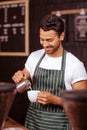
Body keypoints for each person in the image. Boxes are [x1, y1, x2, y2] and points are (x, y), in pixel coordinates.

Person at [12, 14, 87, 130]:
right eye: (42, 39)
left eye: (49, 40)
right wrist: (20, 78)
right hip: (33, 122)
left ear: (61, 36)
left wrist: (55, 100)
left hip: (60, 125)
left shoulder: (75, 65)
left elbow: (82, 105)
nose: (45, 44)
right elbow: (22, 85)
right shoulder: (34, 57)